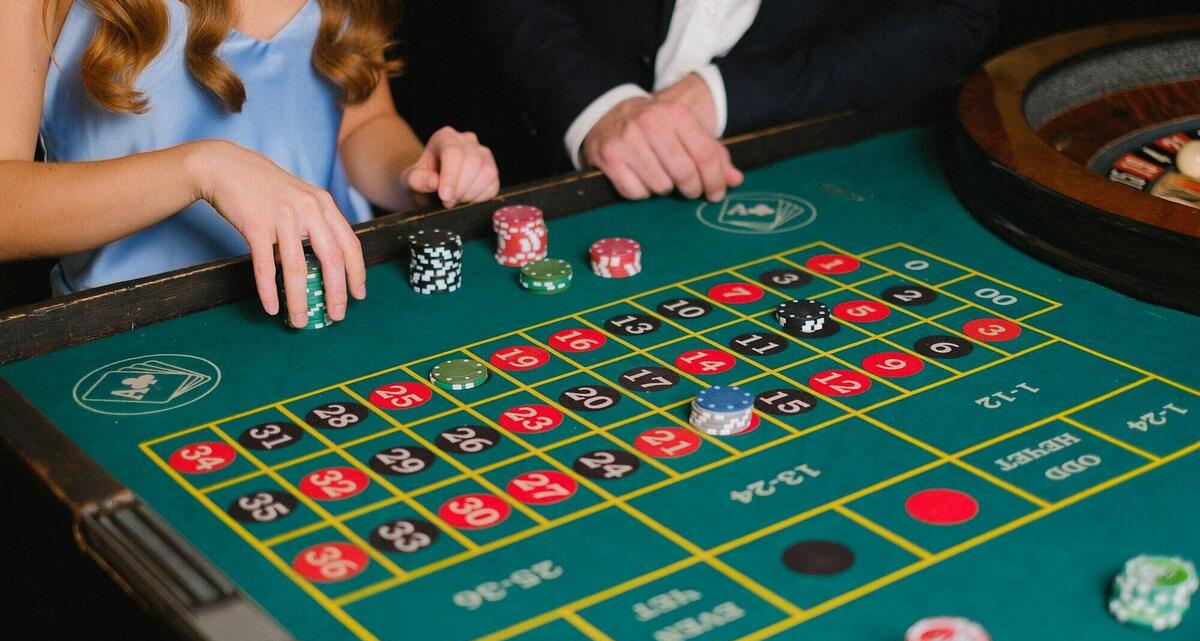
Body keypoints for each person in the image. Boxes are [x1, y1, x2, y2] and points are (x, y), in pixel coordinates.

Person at [0, 0, 499, 328]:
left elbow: (360, 124)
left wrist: (413, 172)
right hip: (134, 342)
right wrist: (200, 168)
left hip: (334, 308)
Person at [480, 0, 998, 202]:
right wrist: (597, 105)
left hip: (791, 179)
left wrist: (729, 94)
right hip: (527, 165)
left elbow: (957, 13)